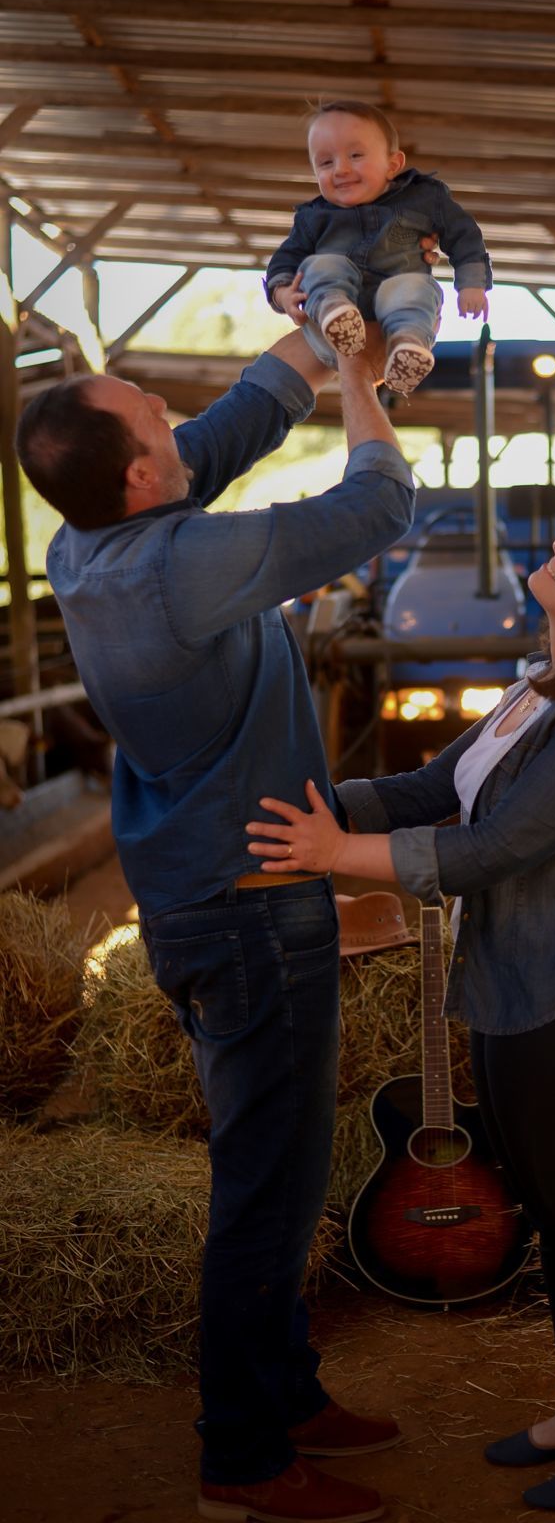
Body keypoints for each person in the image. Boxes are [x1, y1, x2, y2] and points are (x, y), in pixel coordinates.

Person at [16, 328, 417, 1523]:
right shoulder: (183, 564)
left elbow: (213, 441)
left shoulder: (83, 539)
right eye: (146, 409)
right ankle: (240, 1461)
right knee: (268, 1192)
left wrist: (304, 340)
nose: (160, 403)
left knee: (274, 1171)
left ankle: (287, 1392)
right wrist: (358, 383)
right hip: (250, 920)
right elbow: (379, 500)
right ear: (138, 477)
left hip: (204, 894)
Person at [246, 526, 555, 1512]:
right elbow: (429, 790)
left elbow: (494, 846)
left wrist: (332, 856)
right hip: (511, 996)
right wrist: (305, 806)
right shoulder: (542, 685)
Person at [266, 100, 491, 395]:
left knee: (416, 286)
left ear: (393, 165)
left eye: (356, 155)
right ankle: (336, 311)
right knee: (319, 266)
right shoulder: (313, 217)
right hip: (334, 316)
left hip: (395, 303)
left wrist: (472, 284)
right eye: (325, 162)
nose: (341, 169)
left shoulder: (424, 198)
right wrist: (282, 294)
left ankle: (406, 344)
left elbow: (464, 235)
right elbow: (285, 259)